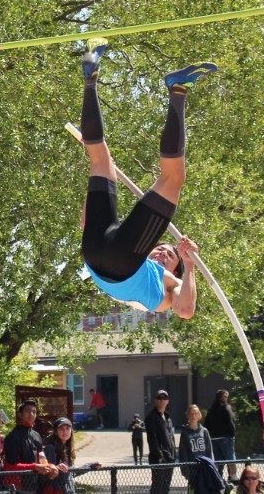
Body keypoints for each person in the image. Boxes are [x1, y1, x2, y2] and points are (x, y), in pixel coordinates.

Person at [77, 37, 216, 319]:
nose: (164, 252)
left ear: (173, 269)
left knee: (173, 178)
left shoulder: (169, 285)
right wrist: (100, 184)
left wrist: (189, 266)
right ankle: (90, 72)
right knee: (101, 159)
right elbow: (85, 224)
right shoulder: (148, 265)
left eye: (169, 256)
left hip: (115, 262)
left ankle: (179, 89)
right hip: (96, 251)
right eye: (164, 249)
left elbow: (186, 311)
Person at [3, 399, 59, 493]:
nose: (31, 414)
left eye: (34, 412)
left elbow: (42, 459)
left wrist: (51, 466)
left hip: (35, 485)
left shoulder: (36, 435)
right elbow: (9, 466)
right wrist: (35, 467)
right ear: (20, 414)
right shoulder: (12, 436)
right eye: (27, 411)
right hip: (16, 488)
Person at [41, 416, 102, 493]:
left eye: (67, 428)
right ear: (56, 432)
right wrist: (56, 468)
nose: (65, 432)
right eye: (61, 429)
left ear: (71, 431)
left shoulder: (68, 449)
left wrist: (91, 466)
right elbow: (47, 473)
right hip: (55, 490)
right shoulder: (50, 448)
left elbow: (72, 473)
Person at [145, 389, 176, 494]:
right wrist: (159, 456)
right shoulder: (151, 417)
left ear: (168, 401)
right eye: (159, 398)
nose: (162, 400)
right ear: (155, 400)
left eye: (164, 398)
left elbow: (171, 437)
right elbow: (152, 439)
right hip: (158, 459)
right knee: (157, 487)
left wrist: (174, 454)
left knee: (166, 487)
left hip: (170, 458)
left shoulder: (168, 417)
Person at [178, 404, 214, 491]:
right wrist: (186, 472)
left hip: (204, 468)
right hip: (192, 470)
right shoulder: (185, 433)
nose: (194, 416)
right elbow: (183, 453)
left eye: (196, 413)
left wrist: (212, 467)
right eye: (191, 413)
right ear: (188, 415)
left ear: (199, 415)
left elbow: (209, 450)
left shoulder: (204, 431)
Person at [205, 389, 237, 481]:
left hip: (214, 439)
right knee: (231, 459)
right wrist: (232, 434)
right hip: (226, 438)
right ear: (222, 397)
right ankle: (233, 477)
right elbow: (231, 422)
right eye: (225, 397)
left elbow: (206, 424)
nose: (226, 399)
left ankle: (218, 480)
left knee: (218, 462)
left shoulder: (211, 409)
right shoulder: (226, 408)